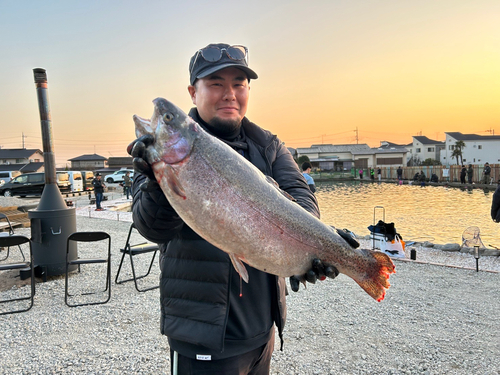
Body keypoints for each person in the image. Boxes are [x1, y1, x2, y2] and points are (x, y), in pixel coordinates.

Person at [128, 43, 355, 375]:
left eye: (239, 83)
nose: (229, 93)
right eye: (216, 83)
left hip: (262, 332)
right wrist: (158, 182)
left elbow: (303, 201)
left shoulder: (269, 146)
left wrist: (316, 249)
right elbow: (151, 227)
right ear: (193, 92)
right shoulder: (154, 154)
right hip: (201, 336)